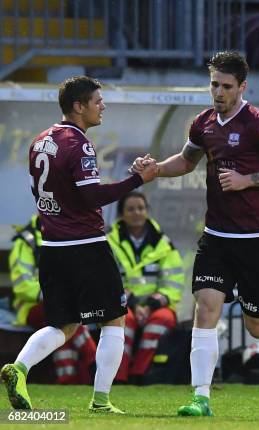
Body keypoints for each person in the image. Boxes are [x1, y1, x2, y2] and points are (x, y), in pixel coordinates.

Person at [131, 51, 259, 417]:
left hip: (258, 238)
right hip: (217, 235)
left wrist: (247, 180)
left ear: (242, 87)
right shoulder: (203, 123)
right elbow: (187, 161)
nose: (218, 92)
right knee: (206, 308)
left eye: (226, 86)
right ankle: (201, 397)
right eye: (214, 84)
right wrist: (156, 169)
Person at [1, 76, 157, 412]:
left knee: (64, 324)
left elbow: (41, 193)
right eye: (97, 101)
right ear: (78, 106)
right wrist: (136, 180)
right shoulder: (79, 144)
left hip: (52, 247)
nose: (103, 106)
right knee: (115, 318)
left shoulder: (40, 141)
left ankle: (19, 368)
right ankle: (101, 400)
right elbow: (90, 197)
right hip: (85, 246)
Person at [9, 214, 97, 385]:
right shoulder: (26, 241)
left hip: (66, 305)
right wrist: (55, 295)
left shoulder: (70, 234)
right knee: (65, 317)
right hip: (32, 306)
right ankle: (92, 360)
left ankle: (69, 379)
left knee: (62, 325)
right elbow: (22, 286)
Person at [108, 192, 184, 383]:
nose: (136, 213)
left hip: (155, 306)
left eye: (141, 208)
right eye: (131, 209)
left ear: (147, 212)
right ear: (121, 215)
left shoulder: (163, 244)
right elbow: (105, 281)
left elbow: (173, 284)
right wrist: (131, 303)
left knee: (162, 319)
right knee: (124, 322)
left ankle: (140, 375)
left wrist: (150, 305)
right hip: (121, 304)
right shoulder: (108, 243)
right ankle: (118, 378)